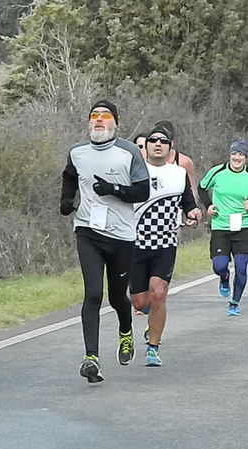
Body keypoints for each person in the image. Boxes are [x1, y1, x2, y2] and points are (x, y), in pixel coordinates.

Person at [60, 100, 150, 383]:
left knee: (116, 297)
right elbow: (69, 176)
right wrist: (66, 200)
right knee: (94, 294)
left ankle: (126, 331)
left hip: (121, 236)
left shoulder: (129, 151)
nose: (99, 120)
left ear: (115, 123)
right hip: (88, 230)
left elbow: (142, 191)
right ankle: (91, 358)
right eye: (94, 116)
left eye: (105, 116)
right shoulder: (78, 152)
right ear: (89, 122)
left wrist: (113, 189)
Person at [129, 127, 202, 366]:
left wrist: (193, 213)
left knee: (158, 294)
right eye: (153, 141)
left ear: (170, 147)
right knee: (140, 302)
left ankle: (153, 347)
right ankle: (153, 321)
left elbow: (188, 203)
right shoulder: (134, 172)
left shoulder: (178, 173)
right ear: (146, 146)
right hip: (136, 243)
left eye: (163, 141)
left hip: (165, 242)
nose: (157, 144)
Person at [198, 138, 248, 316]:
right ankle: (224, 277)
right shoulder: (217, 171)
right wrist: (208, 205)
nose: (237, 157)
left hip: (243, 226)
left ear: (246, 158)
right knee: (219, 265)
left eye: (241, 154)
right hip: (221, 225)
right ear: (230, 155)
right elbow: (202, 187)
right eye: (234, 153)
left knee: (242, 269)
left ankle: (234, 303)